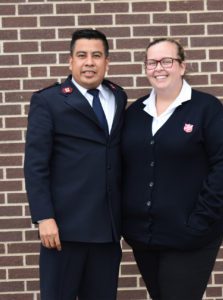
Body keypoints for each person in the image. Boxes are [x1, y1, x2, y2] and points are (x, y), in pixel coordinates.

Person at [121, 38, 223, 300]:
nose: (158, 68)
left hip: (191, 235)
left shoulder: (206, 109)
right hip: (145, 237)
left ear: (182, 66)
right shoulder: (134, 113)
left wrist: (201, 219)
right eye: (151, 62)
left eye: (167, 61)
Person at [24, 28, 127, 300]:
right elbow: (36, 164)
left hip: (107, 230)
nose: (89, 62)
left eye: (96, 55)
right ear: (70, 61)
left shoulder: (118, 96)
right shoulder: (49, 101)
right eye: (81, 55)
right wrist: (44, 217)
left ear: (107, 61)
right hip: (63, 231)